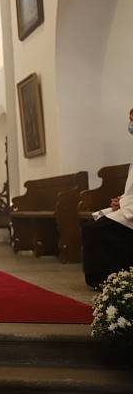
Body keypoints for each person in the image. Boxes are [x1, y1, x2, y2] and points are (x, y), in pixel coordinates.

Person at [82, 108, 133, 288]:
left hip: (131, 211)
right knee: (90, 225)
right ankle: (107, 278)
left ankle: (108, 278)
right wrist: (122, 199)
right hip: (129, 207)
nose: (130, 126)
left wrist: (124, 202)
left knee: (96, 230)